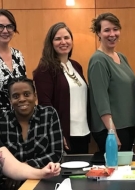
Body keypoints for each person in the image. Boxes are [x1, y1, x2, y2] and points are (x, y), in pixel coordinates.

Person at [0, 77, 64, 189]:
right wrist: (11, 174)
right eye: (15, 96)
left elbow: (56, 153)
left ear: (35, 96)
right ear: (10, 100)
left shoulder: (49, 114)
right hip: (8, 184)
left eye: (26, 94)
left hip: (43, 180)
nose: (21, 99)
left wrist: (20, 170)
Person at [33, 22, 90, 154]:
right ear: (50, 43)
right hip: (63, 134)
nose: (63, 42)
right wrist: (57, 132)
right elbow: (45, 106)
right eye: (58, 39)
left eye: (66, 38)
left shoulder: (76, 66)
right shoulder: (45, 69)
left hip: (83, 132)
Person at [88, 13, 135, 152]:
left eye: (115, 29)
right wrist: (112, 132)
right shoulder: (98, 60)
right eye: (107, 30)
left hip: (126, 127)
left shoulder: (121, 57)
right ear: (98, 33)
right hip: (111, 130)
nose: (112, 34)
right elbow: (101, 100)